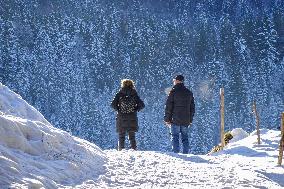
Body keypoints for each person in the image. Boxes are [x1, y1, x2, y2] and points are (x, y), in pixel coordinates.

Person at [164, 75, 195, 154]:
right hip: (186, 120)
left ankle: (176, 154)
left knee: (175, 137)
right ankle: (185, 153)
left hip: (175, 119)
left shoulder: (173, 92)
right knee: (185, 137)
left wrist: (167, 119)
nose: (173, 82)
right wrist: (190, 120)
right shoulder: (189, 92)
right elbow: (192, 108)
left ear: (177, 81)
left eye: (174, 80)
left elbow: (168, 107)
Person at [111, 79, 145, 151]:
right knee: (132, 136)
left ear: (122, 85)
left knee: (121, 135)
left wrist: (119, 109)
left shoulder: (119, 94)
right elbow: (142, 105)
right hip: (132, 117)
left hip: (121, 117)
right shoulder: (134, 94)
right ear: (132, 85)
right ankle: (134, 149)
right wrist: (135, 109)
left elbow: (113, 105)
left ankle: (121, 150)